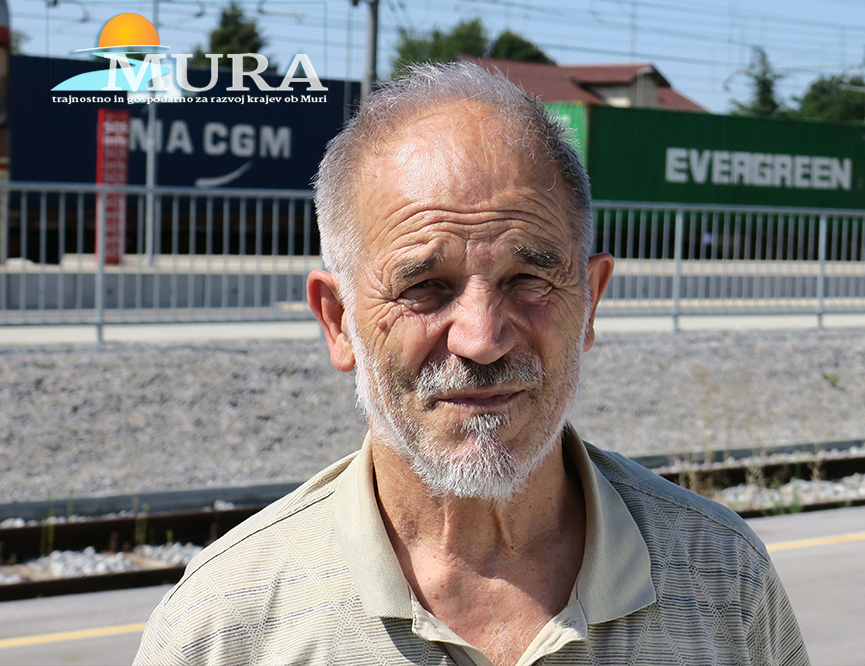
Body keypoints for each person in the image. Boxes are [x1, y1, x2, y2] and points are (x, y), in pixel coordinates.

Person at [134, 62, 808, 666]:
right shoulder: (222, 628)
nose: (482, 339)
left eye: (528, 279)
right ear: (338, 322)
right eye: (424, 287)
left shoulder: (725, 580)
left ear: (591, 303)